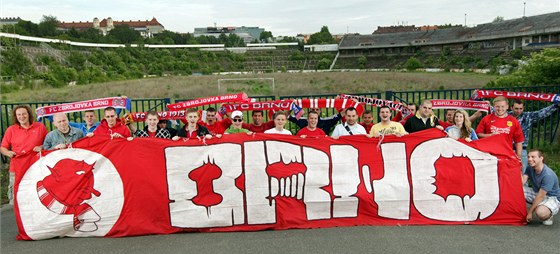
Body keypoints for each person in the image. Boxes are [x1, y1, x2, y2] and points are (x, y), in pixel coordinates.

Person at [1, 105, 48, 205]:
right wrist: (8, 153)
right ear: (16, 116)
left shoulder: (40, 127)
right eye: (19, 115)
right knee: (16, 195)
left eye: (24, 114)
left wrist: (42, 147)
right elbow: (3, 148)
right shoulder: (11, 130)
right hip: (17, 167)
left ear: (28, 114)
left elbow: (49, 143)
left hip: (36, 167)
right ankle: (17, 218)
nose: (21, 116)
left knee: (36, 194)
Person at [510, 99, 559, 171]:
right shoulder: (505, 116)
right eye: (516, 108)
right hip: (507, 149)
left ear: (523, 108)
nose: (518, 111)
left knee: (522, 172)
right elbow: (494, 111)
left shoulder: (527, 116)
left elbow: (541, 113)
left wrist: (555, 105)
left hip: (522, 149)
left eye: (521, 108)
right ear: (511, 108)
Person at [476, 96, 523, 161]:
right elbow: (478, 135)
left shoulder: (514, 121)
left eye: (502, 106)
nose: (500, 109)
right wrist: (490, 135)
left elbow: (518, 141)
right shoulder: (486, 119)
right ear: (494, 106)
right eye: (497, 106)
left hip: (507, 156)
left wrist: (519, 158)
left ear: (507, 106)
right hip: (489, 156)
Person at [522, 149, 560, 226]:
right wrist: (518, 168)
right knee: (518, 191)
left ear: (541, 158)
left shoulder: (548, 175)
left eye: (533, 157)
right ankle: (524, 211)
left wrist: (530, 213)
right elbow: (522, 182)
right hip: (538, 193)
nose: (529, 159)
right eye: (528, 157)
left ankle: (548, 215)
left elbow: (541, 196)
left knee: (540, 213)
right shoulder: (530, 168)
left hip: (551, 197)